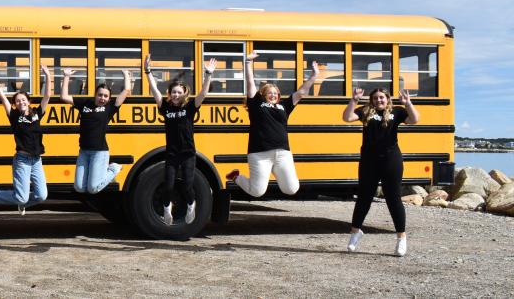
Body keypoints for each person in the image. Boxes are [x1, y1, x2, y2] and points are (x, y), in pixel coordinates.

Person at [226, 53, 320, 197]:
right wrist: (247, 62)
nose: (273, 95)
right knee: (257, 192)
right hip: (260, 153)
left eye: (276, 93)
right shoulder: (256, 104)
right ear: (263, 94)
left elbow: (301, 92)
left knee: (292, 189)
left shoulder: (284, 106)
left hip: (282, 153)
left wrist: (314, 75)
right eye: (270, 93)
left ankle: (274, 170)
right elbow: (250, 83)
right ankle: (236, 177)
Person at [343, 87, 419, 256]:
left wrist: (408, 103)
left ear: (387, 99)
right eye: (376, 98)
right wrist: (354, 100)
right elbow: (347, 117)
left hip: (391, 160)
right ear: (372, 100)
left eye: (382, 97)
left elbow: (414, 119)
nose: (379, 100)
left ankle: (401, 238)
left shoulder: (397, 112)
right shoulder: (365, 111)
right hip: (369, 161)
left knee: (393, 199)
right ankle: (355, 233)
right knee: (364, 198)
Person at [145, 55, 216, 225]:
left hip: (187, 153)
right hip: (172, 153)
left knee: (187, 185)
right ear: (170, 94)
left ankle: (191, 204)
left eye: (179, 92)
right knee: (168, 185)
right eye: (173, 92)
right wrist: (148, 72)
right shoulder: (166, 107)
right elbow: (155, 91)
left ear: (184, 93)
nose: (176, 95)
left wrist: (208, 74)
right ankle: (166, 207)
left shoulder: (190, 108)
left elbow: (203, 93)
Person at [0, 65, 53, 215]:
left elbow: (47, 96)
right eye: (17, 101)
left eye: (23, 100)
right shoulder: (14, 116)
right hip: (22, 160)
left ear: (29, 101)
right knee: (22, 197)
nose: (21, 102)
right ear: (15, 104)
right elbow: (3, 97)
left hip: (36, 160)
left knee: (42, 195)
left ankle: (22, 202)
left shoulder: (37, 113)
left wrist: (48, 75)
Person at [60, 68, 133, 194]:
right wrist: (66, 76)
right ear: (95, 95)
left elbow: (126, 90)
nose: (102, 98)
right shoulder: (86, 103)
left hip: (99, 152)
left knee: (93, 188)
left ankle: (113, 169)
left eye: (106, 96)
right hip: (84, 151)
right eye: (100, 95)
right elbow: (64, 97)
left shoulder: (110, 108)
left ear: (109, 98)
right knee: (79, 187)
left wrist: (126, 74)